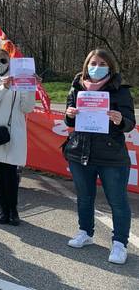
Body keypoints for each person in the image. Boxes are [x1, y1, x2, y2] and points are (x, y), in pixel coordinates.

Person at [63, 49, 135, 265]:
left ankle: (120, 243)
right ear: (86, 65)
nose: (97, 66)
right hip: (79, 153)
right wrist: (69, 114)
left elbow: (130, 123)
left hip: (111, 155)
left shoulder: (120, 90)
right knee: (84, 197)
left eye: (102, 63)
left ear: (110, 66)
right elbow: (69, 121)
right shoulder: (76, 86)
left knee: (118, 201)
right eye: (93, 62)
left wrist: (120, 119)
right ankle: (85, 233)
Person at [0, 49, 36, 225]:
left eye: (3, 60)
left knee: (11, 173)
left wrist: (30, 87)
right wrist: (4, 87)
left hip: (14, 132)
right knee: (0, 173)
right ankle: (3, 209)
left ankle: (13, 209)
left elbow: (27, 108)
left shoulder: (19, 80)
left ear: (9, 61)